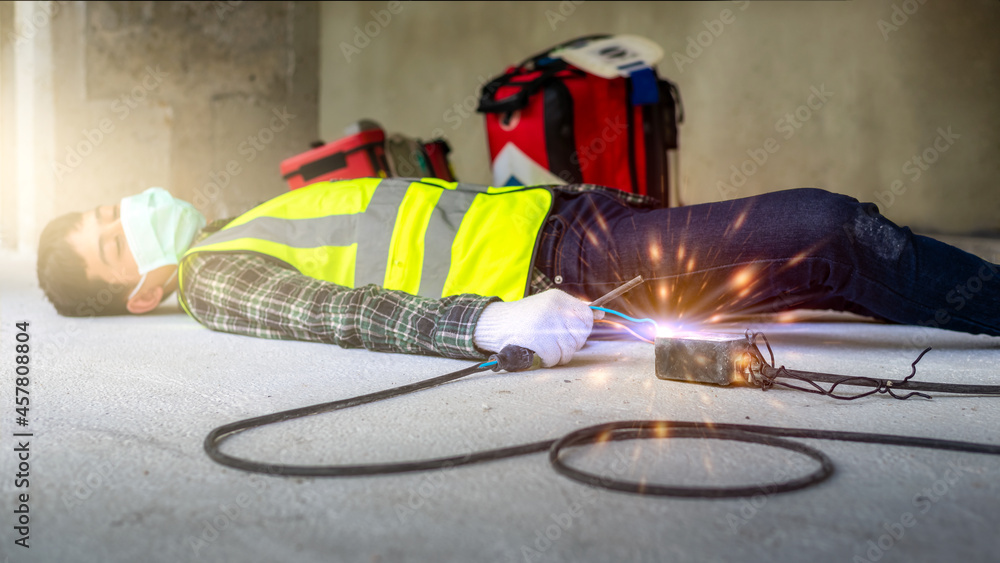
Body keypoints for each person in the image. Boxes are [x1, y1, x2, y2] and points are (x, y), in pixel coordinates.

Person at [36, 177, 1000, 367]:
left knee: (822, 274)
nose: (125, 217)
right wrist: (488, 325)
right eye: (114, 241)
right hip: (575, 265)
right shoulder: (214, 277)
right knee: (833, 231)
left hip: (574, 219)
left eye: (105, 210)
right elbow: (338, 312)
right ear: (143, 291)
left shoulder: (243, 212)